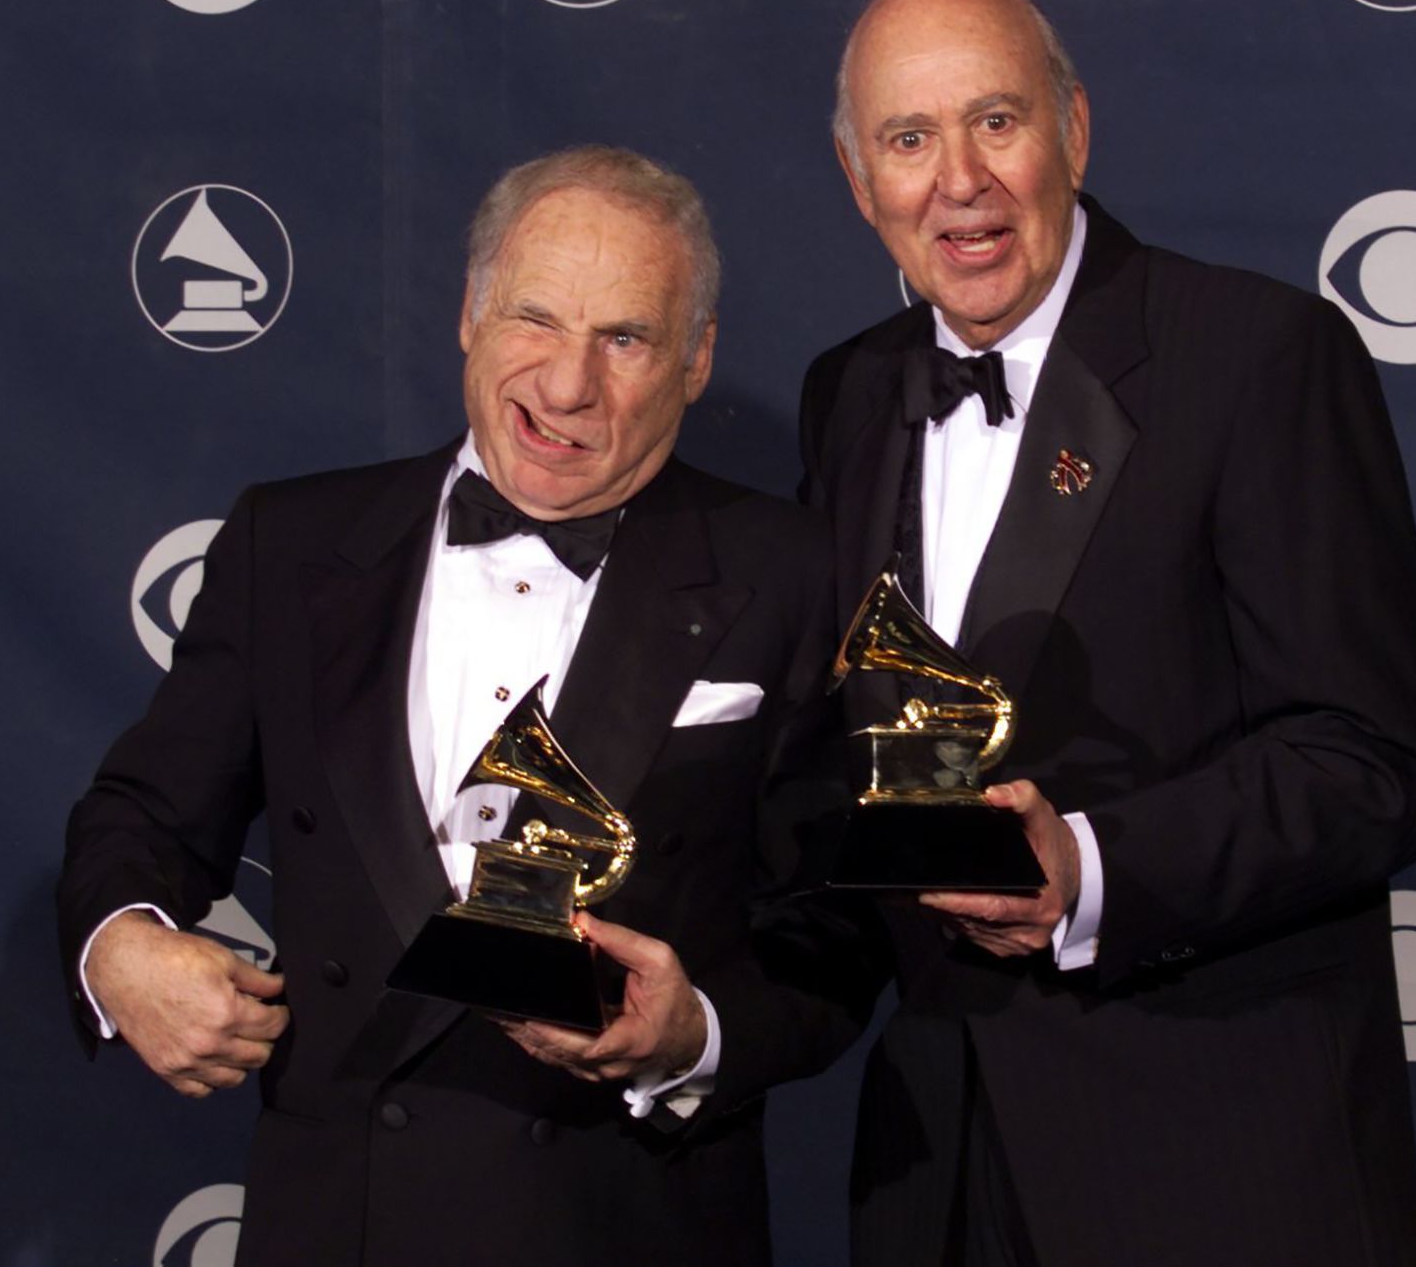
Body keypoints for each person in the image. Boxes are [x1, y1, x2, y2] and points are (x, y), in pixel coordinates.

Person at [58, 146, 867, 1267]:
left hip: (626, 1223)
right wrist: (121, 949)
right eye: (535, 316)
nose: (568, 383)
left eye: (625, 338)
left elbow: (838, 927)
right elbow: (140, 815)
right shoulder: (288, 549)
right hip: (342, 1223)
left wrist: (696, 1031)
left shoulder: (792, 573)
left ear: (695, 361)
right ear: (470, 313)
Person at [799, 0, 1416, 1267]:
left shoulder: (1258, 355)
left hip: (1217, 1168)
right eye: (909, 139)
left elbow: (1374, 761)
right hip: (936, 1171)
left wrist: (1093, 867)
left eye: (997, 121)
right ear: (859, 178)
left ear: (1074, 129)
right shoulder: (850, 397)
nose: (959, 181)